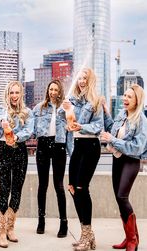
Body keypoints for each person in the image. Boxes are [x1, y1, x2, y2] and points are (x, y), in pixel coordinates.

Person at [100, 84, 147, 251]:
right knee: (119, 200)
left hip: (131, 160)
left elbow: (138, 147)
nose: (125, 99)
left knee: (122, 196)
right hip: (117, 159)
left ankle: (133, 239)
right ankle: (129, 238)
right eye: (124, 96)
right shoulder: (122, 114)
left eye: (129, 97)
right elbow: (113, 129)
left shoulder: (141, 119)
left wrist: (112, 140)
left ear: (137, 100)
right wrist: (106, 111)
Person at [63, 68, 103, 251]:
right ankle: (87, 234)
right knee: (72, 188)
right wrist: (68, 119)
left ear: (90, 80)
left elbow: (98, 126)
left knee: (81, 188)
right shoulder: (72, 101)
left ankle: (87, 237)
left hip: (90, 147)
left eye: (85, 78)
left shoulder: (96, 101)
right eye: (79, 78)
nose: (81, 81)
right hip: (77, 146)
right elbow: (68, 123)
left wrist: (82, 126)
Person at [0, 80, 34, 248]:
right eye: (12, 92)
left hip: (20, 150)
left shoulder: (27, 112)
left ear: (21, 94)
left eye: (17, 92)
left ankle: (10, 228)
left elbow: (29, 130)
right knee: (5, 189)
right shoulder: (0, 110)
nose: (14, 96)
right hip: (4, 150)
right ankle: (1, 232)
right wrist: (3, 123)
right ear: (7, 94)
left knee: (17, 189)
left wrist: (17, 137)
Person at [33, 79, 68, 238]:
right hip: (43, 146)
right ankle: (41, 221)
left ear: (60, 91)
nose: (53, 92)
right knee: (42, 185)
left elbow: (71, 131)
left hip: (59, 146)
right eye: (51, 89)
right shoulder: (39, 108)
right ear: (48, 90)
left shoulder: (65, 108)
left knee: (59, 186)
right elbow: (31, 128)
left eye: (56, 90)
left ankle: (64, 222)